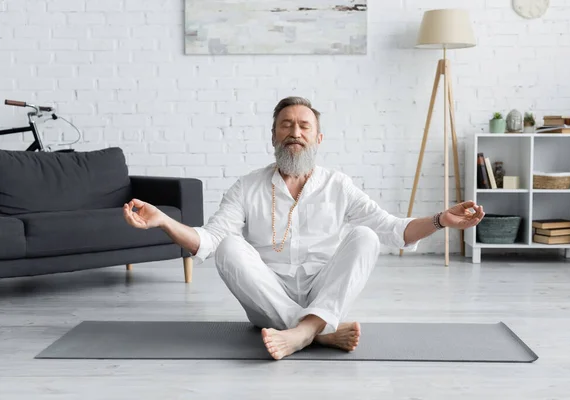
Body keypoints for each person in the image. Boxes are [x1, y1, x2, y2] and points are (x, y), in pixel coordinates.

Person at [123, 96, 485, 360]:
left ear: (318, 139)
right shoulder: (247, 186)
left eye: (304, 126)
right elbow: (209, 240)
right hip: (267, 296)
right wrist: (164, 221)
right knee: (230, 247)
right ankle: (317, 331)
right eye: (286, 125)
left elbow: (393, 230)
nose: (295, 132)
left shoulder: (338, 185)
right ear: (273, 137)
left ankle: (301, 331)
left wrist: (441, 220)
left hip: (322, 290)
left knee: (366, 235)